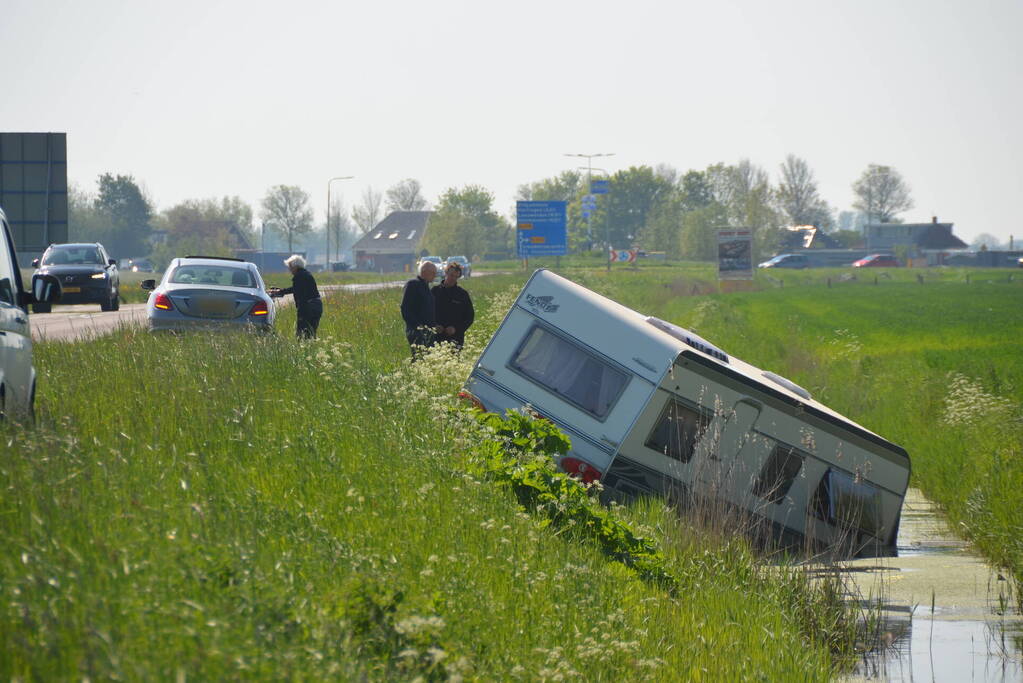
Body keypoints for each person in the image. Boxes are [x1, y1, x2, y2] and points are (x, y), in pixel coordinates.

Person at [269, 255, 322, 338]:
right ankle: (311, 347)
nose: (289, 270)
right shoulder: (306, 274)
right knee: (311, 332)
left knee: (301, 333)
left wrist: (280, 292)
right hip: (317, 305)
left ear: (295, 267)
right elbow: (296, 288)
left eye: (290, 267)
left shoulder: (299, 276)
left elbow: (295, 289)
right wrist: (281, 291)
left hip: (307, 307)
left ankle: (303, 348)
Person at [400, 260, 442, 359]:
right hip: (417, 332)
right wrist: (418, 327)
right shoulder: (413, 285)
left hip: (429, 333)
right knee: (419, 358)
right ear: (424, 272)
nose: (435, 276)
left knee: (427, 359)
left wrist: (433, 326)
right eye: (433, 273)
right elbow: (405, 309)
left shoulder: (426, 287)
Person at [432, 261, 474, 349]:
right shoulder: (434, 291)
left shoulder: (462, 294)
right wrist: (434, 326)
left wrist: (456, 329)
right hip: (436, 338)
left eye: (456, 276)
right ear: (446, 273)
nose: (453, 278)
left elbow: (469, 317)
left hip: (456, 339)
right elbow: (426, 312)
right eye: (451, 275)